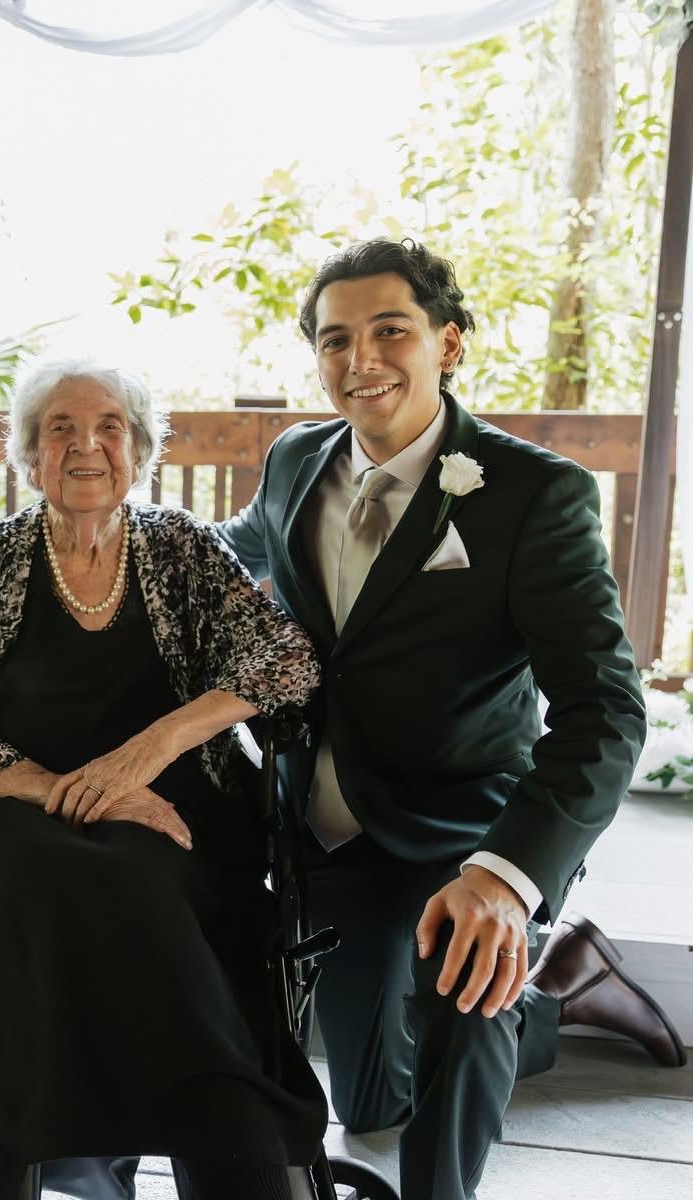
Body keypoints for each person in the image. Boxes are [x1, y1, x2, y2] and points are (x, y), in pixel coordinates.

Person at [217, 237, 678, 1200]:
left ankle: (513, 994)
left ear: (449, 344)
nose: (360, 360)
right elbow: (230, 551)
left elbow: (605, 711)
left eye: (391, 331)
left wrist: (509, 880)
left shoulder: (531, 495)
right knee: (374, 1103)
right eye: (335, 340)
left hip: (468, 828)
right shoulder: (297, 459)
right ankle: (562, 993)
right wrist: (102, 531)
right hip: (329, 821)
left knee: (467, 1008)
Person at [0, 360, 331, 1200]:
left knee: (140, 876)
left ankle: (221, 1134)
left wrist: (151, 750)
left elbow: (286, 659)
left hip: (170, 814)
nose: (86, 445)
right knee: (32, 876)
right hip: (15, 812)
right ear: (30, 457)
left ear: (140, 450)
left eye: (109, 427)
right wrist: (58, 789)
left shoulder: (181, 548)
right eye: (59, 428)